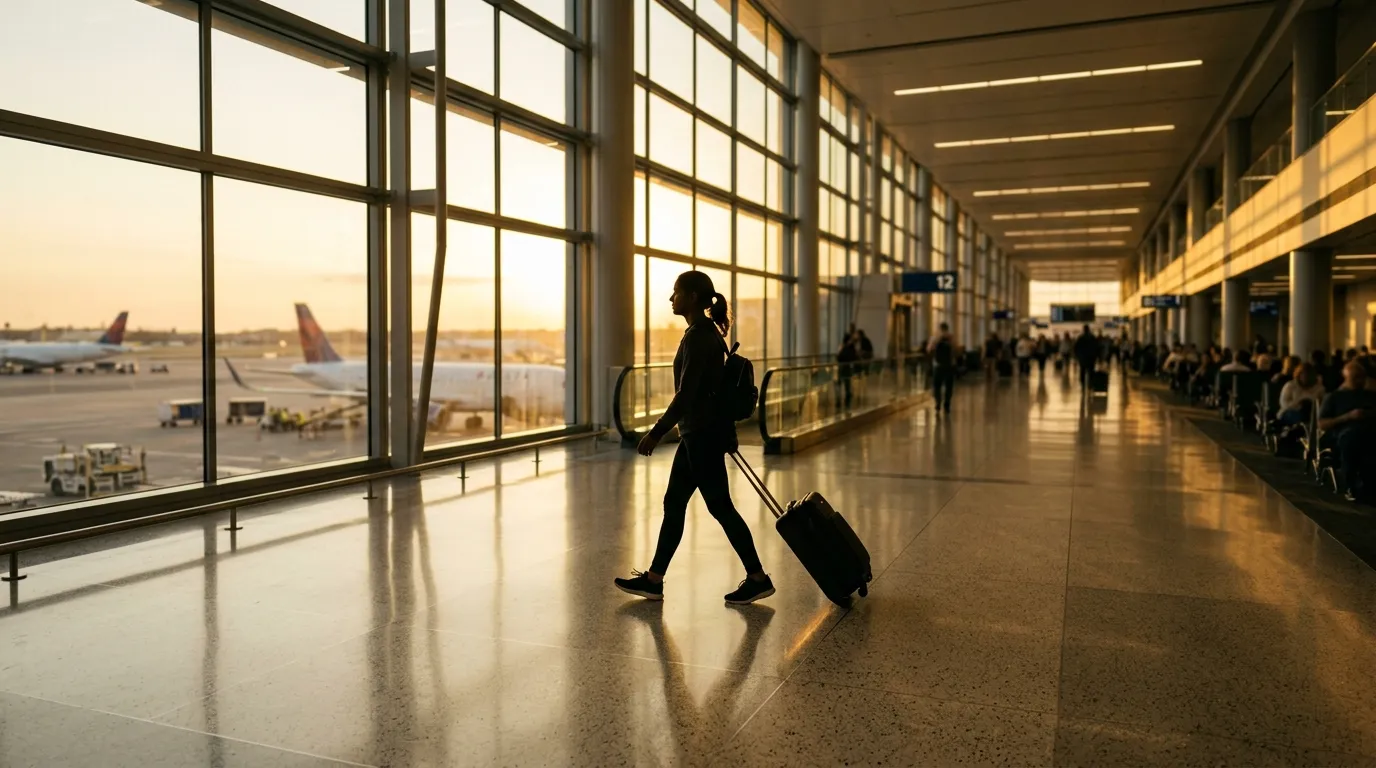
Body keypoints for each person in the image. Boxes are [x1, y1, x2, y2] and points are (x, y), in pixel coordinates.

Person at [615, 270, 774, 605]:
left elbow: (687, 395)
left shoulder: (699, 337)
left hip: (701, 436)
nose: (671, 298)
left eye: (676, 293)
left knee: (721, 507)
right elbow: (713, 391)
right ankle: (654, 580)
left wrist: (656, 433)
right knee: (675, 504)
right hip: (698, 435)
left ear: (690, 297)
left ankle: (758, 577)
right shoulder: (708, 333)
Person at [1318, 361, 1376, 501]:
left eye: (1362, 377)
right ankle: (1351, 485)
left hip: (1369, 430)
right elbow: (1322, 424)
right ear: (1347, 378)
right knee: (1353, 439)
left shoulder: (1371, 396)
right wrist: (1348, 417)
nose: (1360, 381)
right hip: (1345, 433)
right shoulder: (1334, 397)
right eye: (1355, 377)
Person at [1277, 362, 1325, 426]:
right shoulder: (1290, 385)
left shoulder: (1319, 388)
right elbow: (1283, 403)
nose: (1304, 377)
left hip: (1311, 413)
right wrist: (1297, 405)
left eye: (1307, 375)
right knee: (1297, 416)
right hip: (1290, 411)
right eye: (1302, 374)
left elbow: (1323, 404)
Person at [928, 322, 956, 414]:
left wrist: (937, 339)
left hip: (938, 365)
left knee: (937, 386)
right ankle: (946, 404)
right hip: (948, 365)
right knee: (948, 386)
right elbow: (956, 350)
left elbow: (928, 349)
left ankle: (938, 403)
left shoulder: (935, 337)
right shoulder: (951, 338)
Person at [836, 327, 859, 409]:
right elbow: (854, 357)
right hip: (846, 368)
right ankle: (845, 401)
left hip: (842, 368)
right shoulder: (849, 348)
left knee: (842, 384)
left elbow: (838, 357)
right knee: (846, 384)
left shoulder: (843, 348)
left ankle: (840, 400)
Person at [1072, 324, 1099, 389]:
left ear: (1084, 330)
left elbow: (1076, 348)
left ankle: (1083, 385)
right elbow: (1097, 347)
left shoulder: (1081, 338)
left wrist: (1077, 356)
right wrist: (1097, 356)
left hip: (1083, 358)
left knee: (1082, 371)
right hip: (1091, 357)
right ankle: (1090, 384)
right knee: (1091, 371)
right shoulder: (1092, 337)